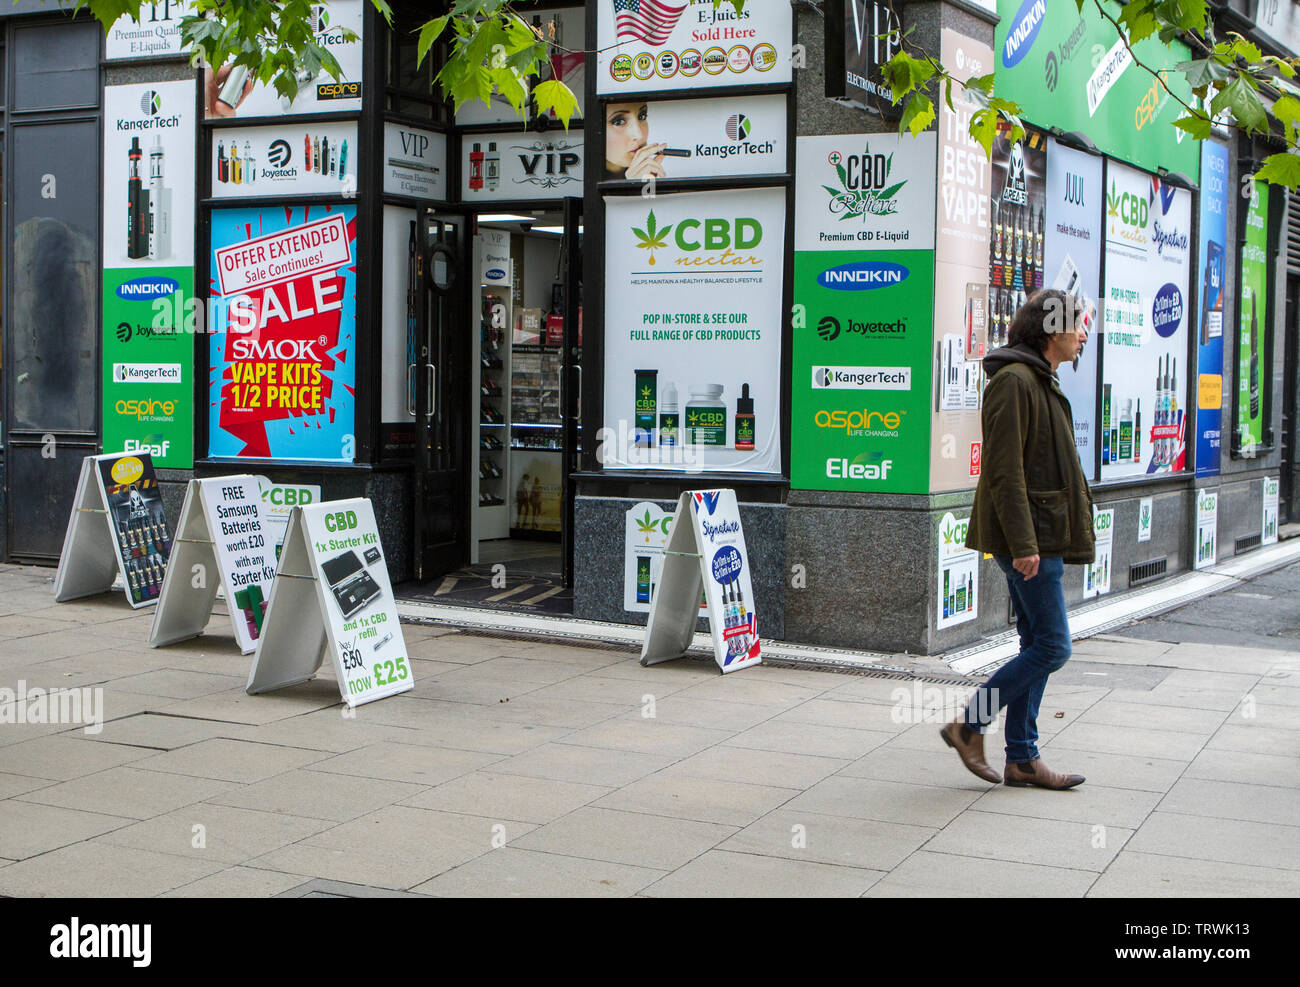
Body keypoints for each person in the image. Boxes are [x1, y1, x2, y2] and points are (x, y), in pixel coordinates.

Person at [941, 288, 1094, 790]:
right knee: (1053, 646)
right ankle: (969, 724)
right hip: (1030, 540)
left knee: (1036, 642)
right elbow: (1004, 473)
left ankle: (1023, 758)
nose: (1084, 334)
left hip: (1043, 534)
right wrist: (1026, 544)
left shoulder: (1038, 379)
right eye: (1078, 324)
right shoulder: (1013, 382)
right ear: (1052, 330)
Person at [605, 102, 668, 180]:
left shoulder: (645, 171)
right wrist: (634, 187)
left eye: (642, 116)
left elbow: (648, 192)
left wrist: (648, 185)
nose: (639, 135)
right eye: (619, 122)